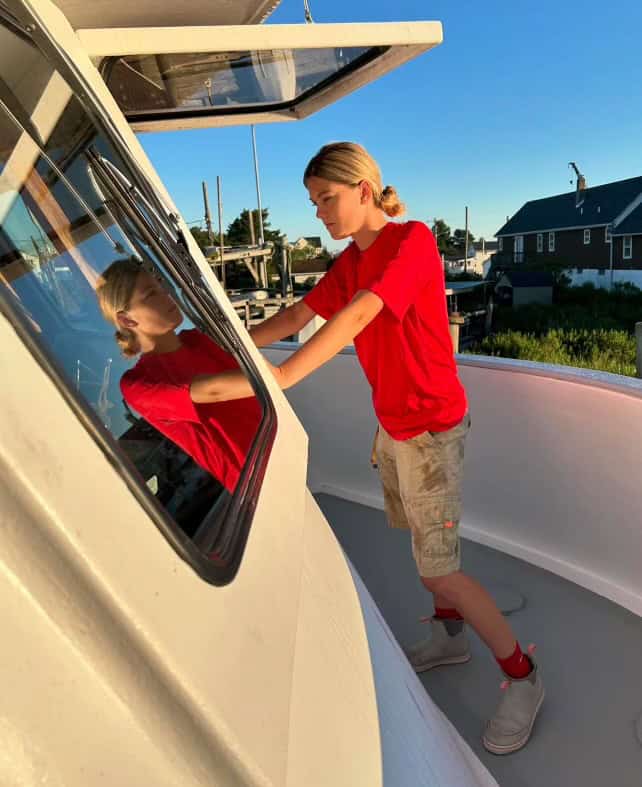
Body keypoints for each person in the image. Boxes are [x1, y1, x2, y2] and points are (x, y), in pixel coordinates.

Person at [248, 142, 544, 755]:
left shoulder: (411, 243)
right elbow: (298, 313)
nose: (319, 215)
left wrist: (280, 378)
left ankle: (523, 677)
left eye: (326, 199)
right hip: (394, 430)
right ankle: (449, 637)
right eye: (312, 203)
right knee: (419, 549)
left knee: (439, 568)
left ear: (361, 189)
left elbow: (359, 315)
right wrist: (235, 342)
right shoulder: (349, 260)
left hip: (433, 431)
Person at [95, 259, 261, 495]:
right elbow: (217, 390)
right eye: (152, 294)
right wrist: (283, 375)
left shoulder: (195, 339)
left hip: (278, 449)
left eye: (162, 286)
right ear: (127, 320)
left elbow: (264, 336)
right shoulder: (138, 384)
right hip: (257, 485)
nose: (167, 296)